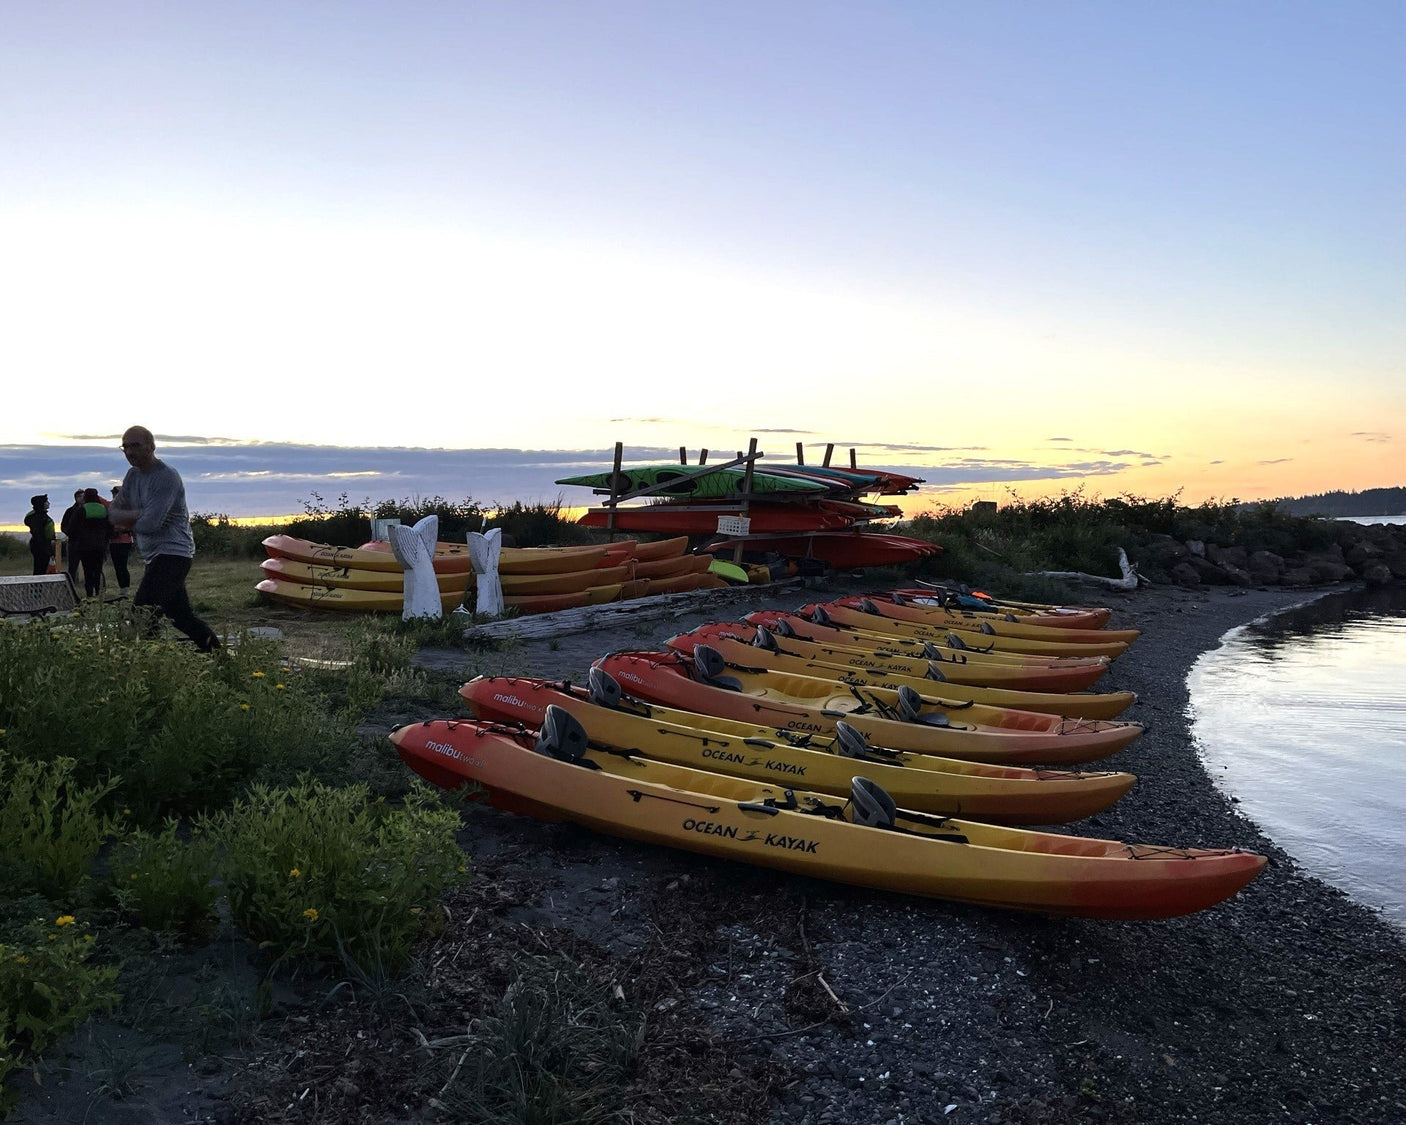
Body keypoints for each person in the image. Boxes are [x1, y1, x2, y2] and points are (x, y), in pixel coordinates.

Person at [109, 426, 221, 652]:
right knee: (180, 616)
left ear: (151, 447)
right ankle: (218, 656)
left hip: (173, 553)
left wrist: (130, 519)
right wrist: (140, 514)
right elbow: (113, 513)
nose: (130, 452)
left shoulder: (166, 476)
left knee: (142, 613)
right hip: (156, 556)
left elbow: (151, 525)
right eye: (125, 447)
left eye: (135, 445)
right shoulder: (132, 476)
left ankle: (150, 663)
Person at [70, 487, 111, 598]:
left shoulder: (82, 509)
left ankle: (89, 595)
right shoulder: (103, 509)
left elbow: (72, 528)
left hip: (85, 546)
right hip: (100, 546)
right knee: (98, 570)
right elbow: (110, 527)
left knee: (88, 571)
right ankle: (98, 593)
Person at [108, 485, 134, 596]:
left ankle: (125, 588)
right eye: (114, 493)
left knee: (122, 565)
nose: (114, 495)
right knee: (117, 566)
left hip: (125, 540)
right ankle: (122, 588)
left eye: (116, 493)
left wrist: (121, 529)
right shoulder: (111, 507)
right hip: (113, 541)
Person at [24, 494, 55, 576]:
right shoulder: (41, 517)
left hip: (36, 545)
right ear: (42, 504)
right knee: (40, 570)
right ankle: (37, 588)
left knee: (39, 569)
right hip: (42, 546)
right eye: (46, 501)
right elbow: (41, 534)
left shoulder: (34, 516)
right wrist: (48, 549)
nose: (48, 503)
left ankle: (37, 587)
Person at [60, 488, 84, 582]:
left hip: (86, 542)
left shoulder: (89, 510)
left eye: (83, 496)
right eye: (79, 496)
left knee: (89, 565)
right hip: (73, 542)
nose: (81, 498)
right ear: (76, 498)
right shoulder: (70, 511)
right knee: (72, 566)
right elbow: (63, 526)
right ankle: (71, 584)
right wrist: (71, 533)